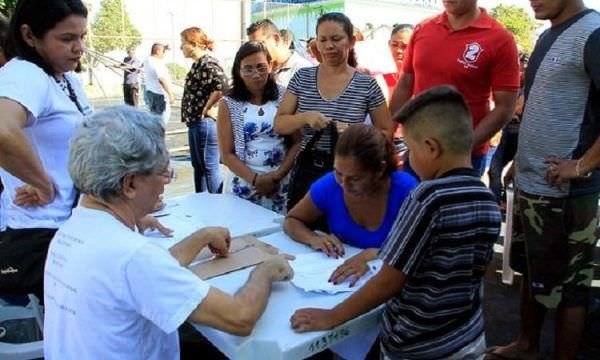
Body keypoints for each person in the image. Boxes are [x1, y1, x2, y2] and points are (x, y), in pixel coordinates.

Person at [43, 106, 294, 359]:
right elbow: (239, 318)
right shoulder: (131, 255)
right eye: (163, 172)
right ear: (130, 184)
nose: (166, 182)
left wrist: (201, 237)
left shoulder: (75, 227)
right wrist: (265, 271)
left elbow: (142, 274)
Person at [290, 86, 502, 360]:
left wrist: (332, 317)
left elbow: (389, 281)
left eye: (411, 150)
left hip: (417, 346)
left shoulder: (426, 198)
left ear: (430, 148)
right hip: (467, 337)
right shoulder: (486, 198)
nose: (408, 160)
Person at [487, 1, 600, 359]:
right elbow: (541, 105)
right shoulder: (548, 35)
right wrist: (519, 160)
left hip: (567, 194)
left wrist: (581, 165)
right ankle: (526, 345)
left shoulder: (593, 34)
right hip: (532, 185)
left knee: (571, 289)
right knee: (531, 271)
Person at [0, 0, 93, 300]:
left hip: (71, 225)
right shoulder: (25, 74)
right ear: (30, 36)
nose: (78, 48)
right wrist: (43, 184)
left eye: (82, 37)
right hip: (43, 235)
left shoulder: (65, 79)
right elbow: (2, 130)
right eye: (67, 39)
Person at [274, 12, 394, 212]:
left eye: (336, 39)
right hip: (309, 169)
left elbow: (386, 131)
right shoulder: (302, 77)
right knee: (301, 227)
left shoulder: (367, 84)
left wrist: (355, 134)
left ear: (351, 41)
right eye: (323, 40)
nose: (329, 46)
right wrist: (305, 117)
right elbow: (279, 124)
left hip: (350, 174)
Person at [390, 0, 520, 176]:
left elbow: (505, 107)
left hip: (465, 158)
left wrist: (461, 150)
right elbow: (405, 84)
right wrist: (387, 133)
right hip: (418, 151)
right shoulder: (423, 28)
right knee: (412, 202)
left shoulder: (500, 39)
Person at [284, 124, 416, 285]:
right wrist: (314, 239)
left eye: (355, 178)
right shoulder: (331, 184)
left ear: (380, 169)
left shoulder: (406, 191)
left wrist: (375, 254)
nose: (344, 185)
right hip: (340, 284)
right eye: (338, 173)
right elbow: (292, 220)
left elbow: (420, 250)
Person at [217, 41, 300, 214]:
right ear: (239, 71)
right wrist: (255, 180)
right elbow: (226, 154)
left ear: (270, 66)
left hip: (280, 184)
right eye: (248, 69)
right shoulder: (229, 103)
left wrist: (276, 176)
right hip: (244, 184)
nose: (256, 75)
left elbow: (297, 142)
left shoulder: (285, 96)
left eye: (261, 67)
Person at [180, 26, 228, 193]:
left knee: (209, 166)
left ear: (193, 44)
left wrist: (208, 107)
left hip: (204, 123)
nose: (181, 47)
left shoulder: (208, 63)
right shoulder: (198, 64)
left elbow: (222, 85)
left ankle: (215, 203)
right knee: (198, 166)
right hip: (195, 122)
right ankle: (200, 202)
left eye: (183, 43)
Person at [487, 52, 528, 205]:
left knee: (510, 173)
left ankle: (504, 203)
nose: (521, 73)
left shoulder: (529, 88)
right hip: (508, 134)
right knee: (495, 171)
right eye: (520, 68)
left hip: (518, 135)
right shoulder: (515, 85)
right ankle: (497, 204)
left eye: (524, 69)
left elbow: (517, 110)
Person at [246, 19, 312, 87]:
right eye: (253, 47)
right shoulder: (261, 71)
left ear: (276, 39)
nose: (256, 51)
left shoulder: (304, 71)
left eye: (260, 44)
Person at [144, 43, 174, 124]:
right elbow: (162, 79)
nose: (164, 54)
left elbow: (154, 49)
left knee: (154, 119)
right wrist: (170, 94)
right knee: (162, 120)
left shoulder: (148, 60)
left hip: (151, 93)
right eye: (163, 52)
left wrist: (164, 47)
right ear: (158, 51)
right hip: (159, 95)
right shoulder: (157, 62)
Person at [383, 24, 413, 100]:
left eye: (405, 47)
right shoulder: (380, 77)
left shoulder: (419, 79)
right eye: (394, 45)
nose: (398, 51)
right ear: (389, 44)